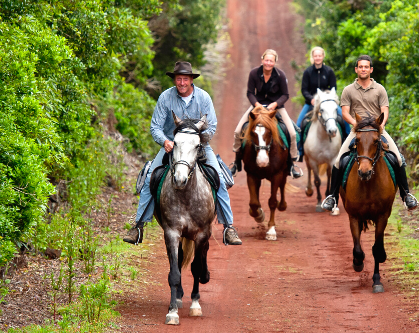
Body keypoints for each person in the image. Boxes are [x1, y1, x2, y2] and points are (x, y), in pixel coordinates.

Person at [123, 61, 242, 246]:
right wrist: (165, 141)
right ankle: (138, 226)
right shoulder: (165, 97)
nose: (182, 83)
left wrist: (198, 140)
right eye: (178, 79)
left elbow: (211, 126)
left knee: (218, 176)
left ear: (191, 80)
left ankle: (228, 227)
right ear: (175, 80)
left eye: (185, 79)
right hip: (172, 145)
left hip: (199, 146)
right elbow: (155, 126)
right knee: (150, 177)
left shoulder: (203, 98)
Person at [321, 55, 418, 211]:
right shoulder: (348, 90)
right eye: (360, 67)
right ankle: (332, 197)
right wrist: (356, 124)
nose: (363, 69)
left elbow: (384, 111)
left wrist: (381, 124)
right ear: (356, 69)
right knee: (338, 161)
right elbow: (345, 112)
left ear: (371, 69)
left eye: (366, 67)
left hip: (377, 130)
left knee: (399, 159)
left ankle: (406, 195)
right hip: (357, 131)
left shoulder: (380, 89)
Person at [229, 49, 303, 179]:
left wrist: (274, 105)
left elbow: (285, 95)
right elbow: (250, 93)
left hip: (276, 107)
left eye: (271, 61)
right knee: (238, 130)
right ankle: (236, 163)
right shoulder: (254, 73)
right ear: (262, 60)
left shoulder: (280, 75)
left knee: (291, 132)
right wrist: (257, 105)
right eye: (266, 60)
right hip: (257, 106)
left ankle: (291, 164)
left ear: (275, 62)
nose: (268, 63)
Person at [296, 47, 350, 160]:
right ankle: (300, 152)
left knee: (344, 119)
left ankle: (347, 148)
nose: (317, 58)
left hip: (328, 103)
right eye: (315, 56)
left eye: (319, 55)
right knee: (299, 124)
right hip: (312, 104)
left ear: (323, 56)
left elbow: (333, 87)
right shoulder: (308, 72)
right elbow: (304, 90)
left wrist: (329, 97)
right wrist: (311, 98)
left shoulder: (329, 71)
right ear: (313, 57)